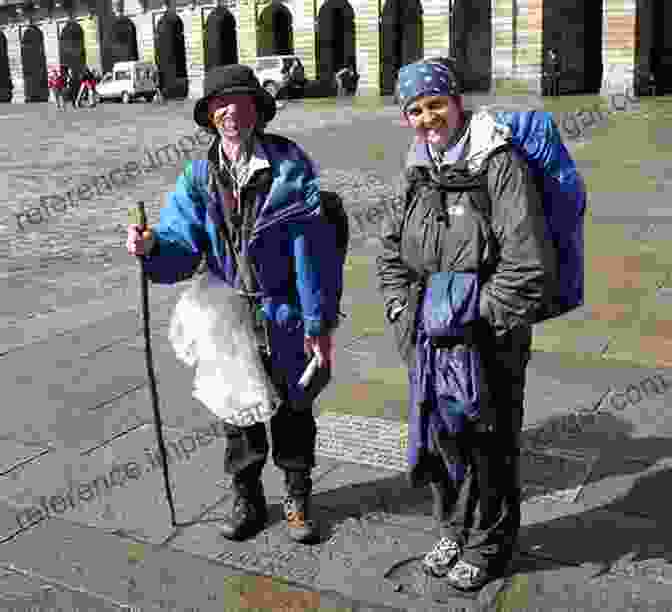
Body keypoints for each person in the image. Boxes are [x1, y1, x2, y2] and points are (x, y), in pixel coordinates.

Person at [126, 64, 342, 544]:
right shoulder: (199, 177)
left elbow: (314, 253)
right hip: (229, 312)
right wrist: (152, 249)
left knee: (293, 408)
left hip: (284, 311)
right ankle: (246, 496)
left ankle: (297, 495)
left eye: (240, 102)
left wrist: (317, 321)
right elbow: (181, 243)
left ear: (256, 111)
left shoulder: (291, 168)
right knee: (236, 410)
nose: (230, 112)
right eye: (220, 105)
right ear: (209, 115)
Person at [376, 58, 557, 593]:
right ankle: (453, 529)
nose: (428, 117)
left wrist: (477, 321)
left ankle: (492, 543)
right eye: (415, 109)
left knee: (491, 441)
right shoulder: (416, 169)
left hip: (488, 335)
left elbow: (526, 263)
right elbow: (390, 252)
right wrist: (401, 312)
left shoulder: (497, 163)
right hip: (429, 336)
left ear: (456, 102)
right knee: (444, 437)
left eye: (436, 104)